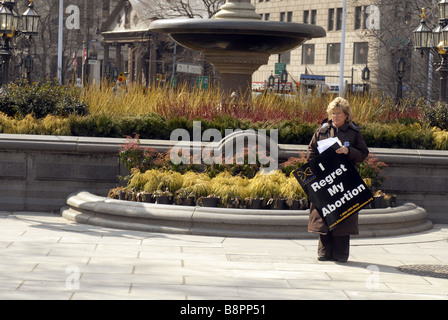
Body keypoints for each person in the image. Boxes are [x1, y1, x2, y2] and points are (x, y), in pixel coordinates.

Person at [307, 97, 369, 262]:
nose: (335, 117)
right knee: (325, 214)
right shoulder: (321, 131)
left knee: (344, 216)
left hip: (345, 180)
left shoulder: (354, 132)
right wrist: (318, 165)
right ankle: (324, 251)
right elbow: (311, 153)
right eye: (332, 113)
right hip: (326, 180)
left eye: (338, 113)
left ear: (346, 115)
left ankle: (341, 253)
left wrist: (348, 151)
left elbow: (363, 153)